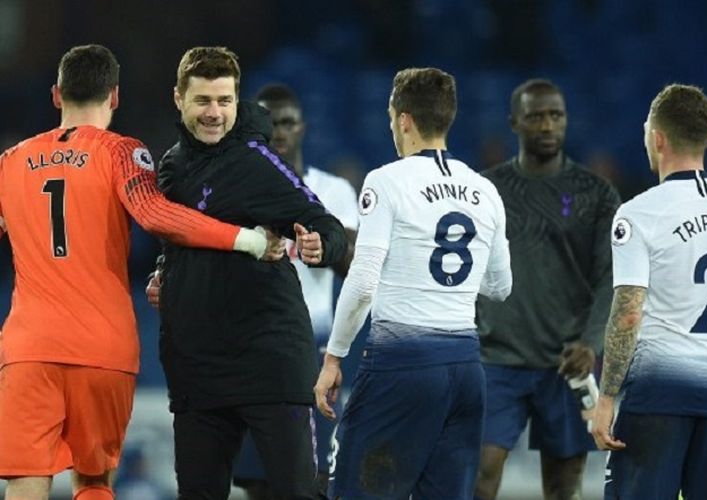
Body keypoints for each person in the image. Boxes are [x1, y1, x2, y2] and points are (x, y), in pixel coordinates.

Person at [0, 44, 276, 500]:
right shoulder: (122, 151)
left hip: (28, 347)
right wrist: (247, 239)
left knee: (26, 478)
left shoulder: (10, 163)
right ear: (113, 97)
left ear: (56, 95)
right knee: (92, 481)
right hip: (102, 346)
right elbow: (155, 214)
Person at [155, 47, 347, 500]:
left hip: (269, 360)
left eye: (224, 100)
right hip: (199, 368)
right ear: (178, 98)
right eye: (203, 100)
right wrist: (165, 273)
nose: (214, 113)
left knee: (297, 493)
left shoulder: (255, 162)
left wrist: (321, 245)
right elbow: (177, 240)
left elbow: (323, 221)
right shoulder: (172, 167)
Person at [314, 67, 513, 499]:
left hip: (400, 365)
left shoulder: (386, 182)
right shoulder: (486, 191)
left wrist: (334, 358)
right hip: (464, 368)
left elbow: (363, 281)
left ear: (403, 119)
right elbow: (500, 285)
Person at [592, 84, 707, 499]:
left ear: (657, 138)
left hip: (660, 393)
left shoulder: (638, 214)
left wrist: (606, 398)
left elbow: (628, 314)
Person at [474, 78, 621, 500]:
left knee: (562, 487)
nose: (547, 124)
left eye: (555, 115)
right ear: (514, 123)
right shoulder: (486, 191)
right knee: (480, 477)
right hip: (497, 358)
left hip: (567, 363)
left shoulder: (595, 193)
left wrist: (592, 343)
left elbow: (610, 277)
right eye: (536, 115)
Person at [231, 84, 359, 499]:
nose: (279, 132)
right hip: (252, 348)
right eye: (269, 123)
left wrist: (324, 241)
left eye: (287, 122)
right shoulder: (236, 192)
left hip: (311, 348)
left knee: (316, 479)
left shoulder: (334, 191)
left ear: (302, 127)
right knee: (259, 483)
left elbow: (353, 266)